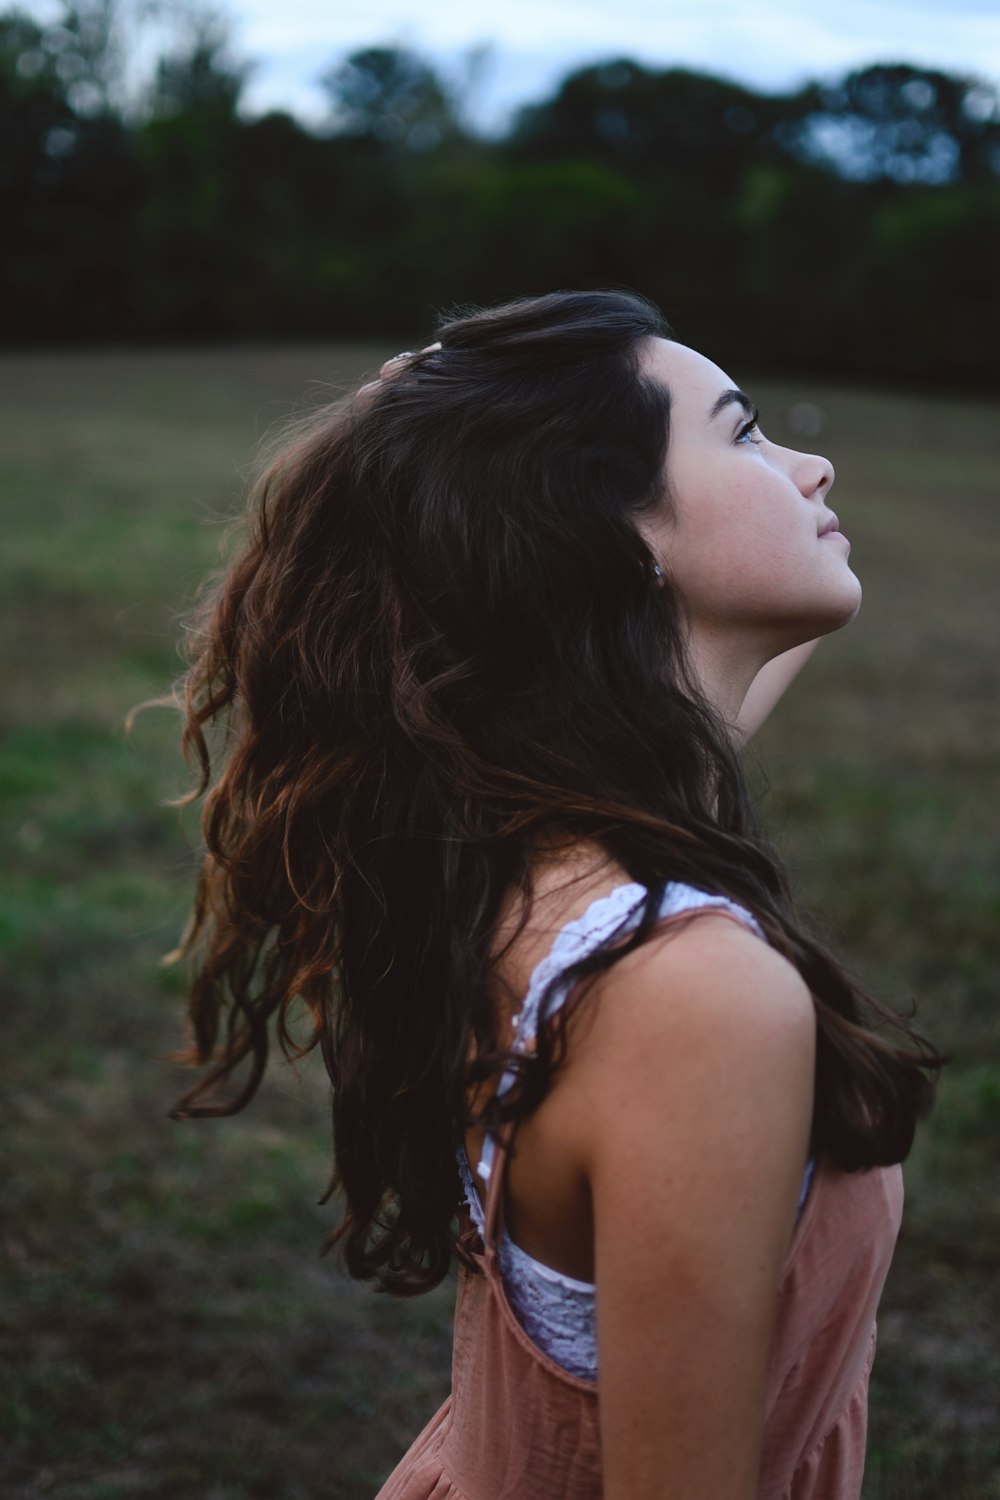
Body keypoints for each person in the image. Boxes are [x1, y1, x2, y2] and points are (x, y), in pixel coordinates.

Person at [171, 290, 940, 1500]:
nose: (811, 464)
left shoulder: (550, 840)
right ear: (606, 536)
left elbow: (749, 636)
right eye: (742, 433)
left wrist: (427, 450)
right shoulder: (687, 992)